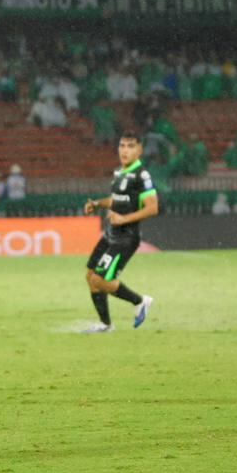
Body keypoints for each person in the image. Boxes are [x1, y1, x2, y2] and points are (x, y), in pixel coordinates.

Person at [82, 133, 158, 333]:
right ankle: (105, 324)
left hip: (126, 237)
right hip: (111, 233)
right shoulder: (119, 173)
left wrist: (124, 219)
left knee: (99, 279)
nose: (125, 150)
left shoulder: (142, 175)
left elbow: (152, 208)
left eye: (130, 146)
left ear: (139, 150)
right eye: (122, 145)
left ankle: (140, 301)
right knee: (90, 275)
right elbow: (115, 199)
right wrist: (98, 204)